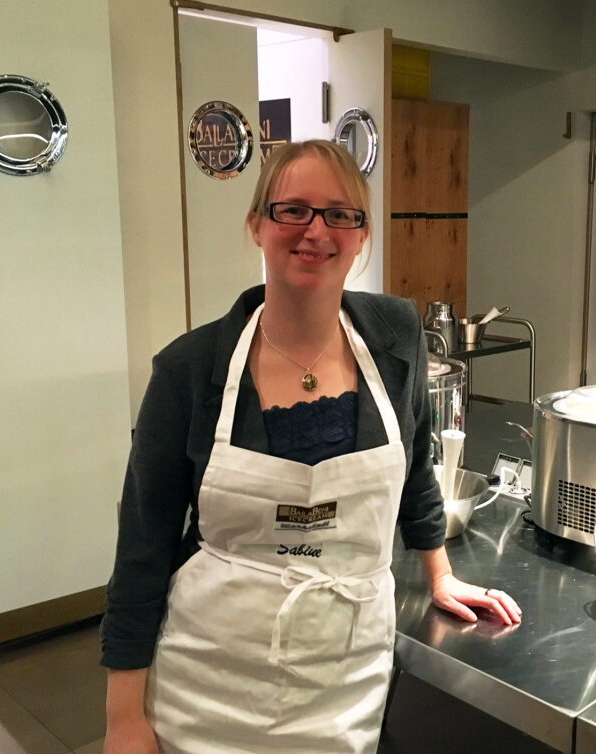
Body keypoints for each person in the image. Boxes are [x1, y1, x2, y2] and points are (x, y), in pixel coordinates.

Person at [101, 139, 522, 754]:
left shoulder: (395, 335)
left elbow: (416, 464)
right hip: (209, 681)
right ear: (257, 224)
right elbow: (142, 546)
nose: (315, 231)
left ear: (360, 234)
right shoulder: (189, 370)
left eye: (339, 214)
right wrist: (122, 718)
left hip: (344, 678)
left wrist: (440, 573)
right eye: (292, 209)